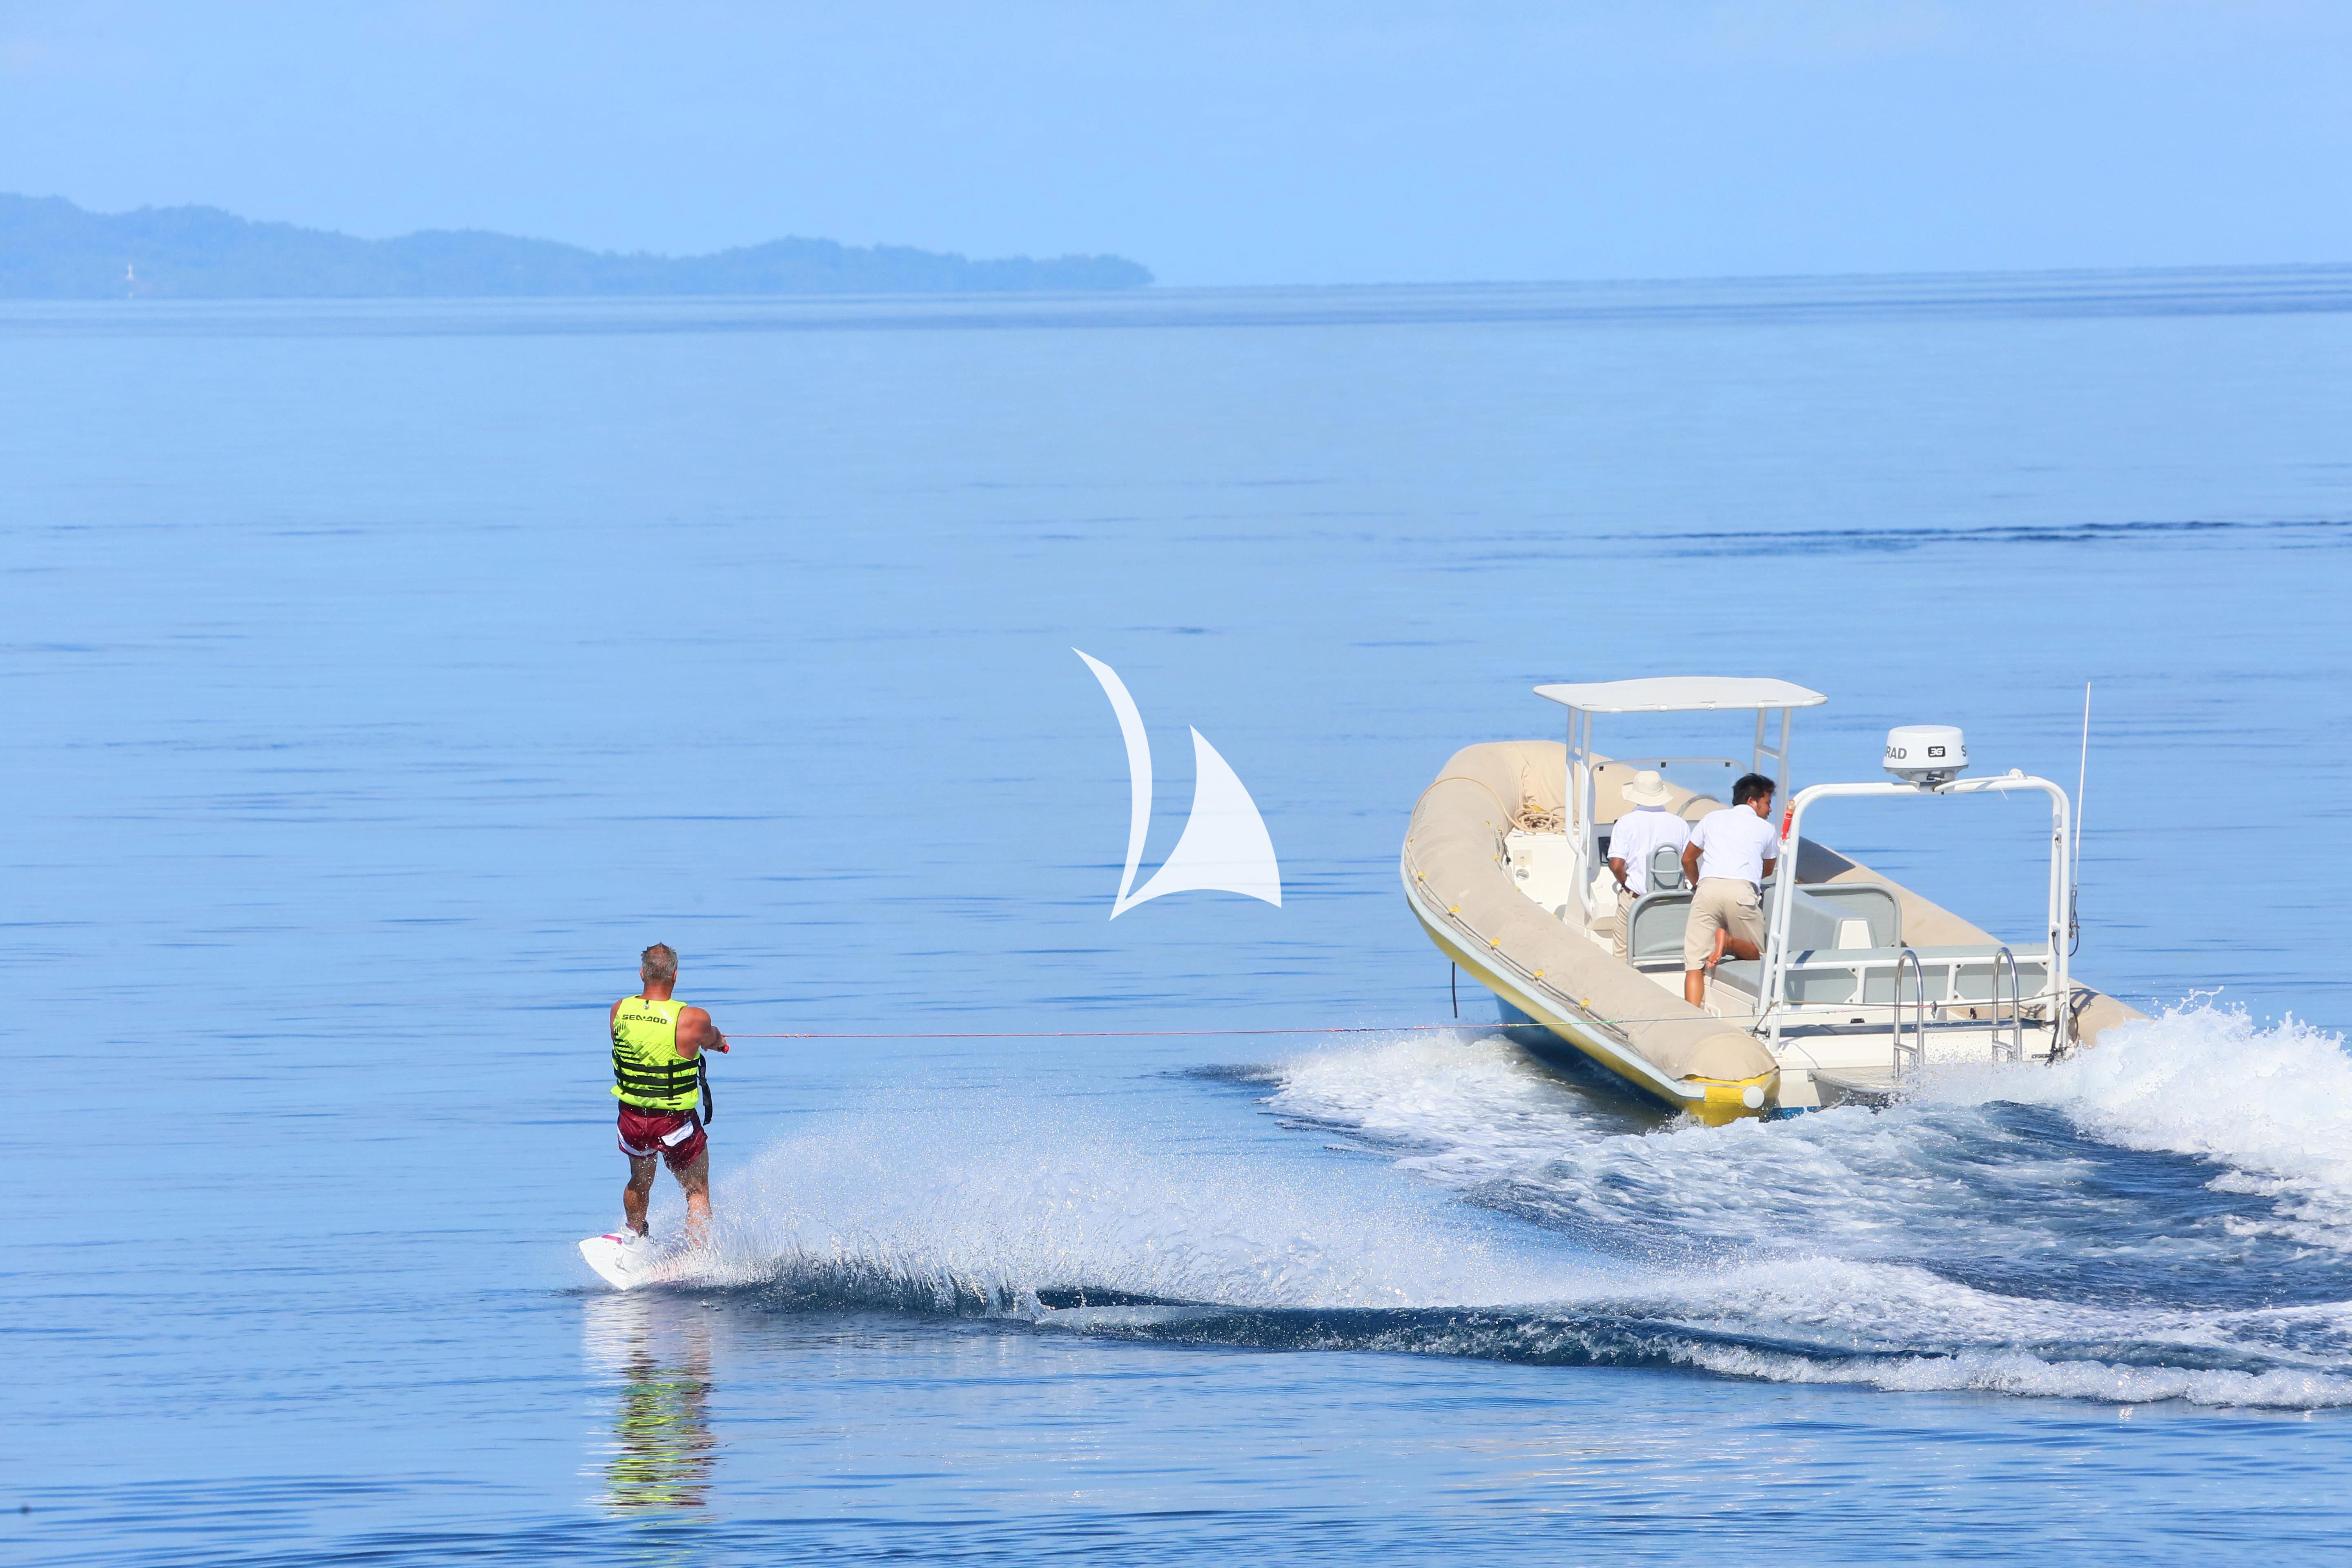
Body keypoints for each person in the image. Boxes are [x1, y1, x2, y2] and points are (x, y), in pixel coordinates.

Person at [610, 943, 729, 1250]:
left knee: (640, 1180)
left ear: (642, 974)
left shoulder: (619, 1010)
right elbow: (712, 1038)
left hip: (632, 1118)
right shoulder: (693, 1019)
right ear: (675, 976)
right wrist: (717, 1042)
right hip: (674, 1122)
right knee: (697, 1190)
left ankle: (633, 1239)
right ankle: (698, 1260)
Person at [1679, 773, 1780, 1006]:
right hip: (1741, 892)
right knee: (1758, 954)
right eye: (1768, 802)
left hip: (1708, 889)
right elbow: (1767, 870)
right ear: (1752, 801)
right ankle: (1730, 943)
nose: (1770, 809)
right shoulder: (1766, 830)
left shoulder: (1712, 819)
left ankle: (1691, 1017)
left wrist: (1697, 885)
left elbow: (1688, 859)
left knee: (1694, 963)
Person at [1604, 770, 1690, 957]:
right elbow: (1688, 861)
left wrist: (1625, 884)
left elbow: (1617, 865)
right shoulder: (1679, 824)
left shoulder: (1626, 823)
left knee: (1622, 954)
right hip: (1673, 900)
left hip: (1637, 898)